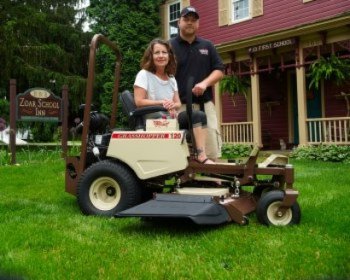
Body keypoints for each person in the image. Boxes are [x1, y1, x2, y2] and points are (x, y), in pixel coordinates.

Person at [134, 38, 214, 164]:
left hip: (170, 118)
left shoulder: (171, 78)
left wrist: (172, 104)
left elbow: (177, 103)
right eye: (157, 53)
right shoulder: (144, 74)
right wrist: (162, 103)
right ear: (151, 56)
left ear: (169, 55)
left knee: (199, 115)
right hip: (153, 120)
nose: (161, 56)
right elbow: (139, 102)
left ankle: (201, 155)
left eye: (164, 52)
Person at [170, 6, 225, 161]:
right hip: (178, 106)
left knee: (211, 149)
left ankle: (213, 180)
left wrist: (205, 83)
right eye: (186, 19)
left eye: (193, 20)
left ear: (198, 24)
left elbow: (219, 70)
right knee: (179, 150)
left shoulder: (207, 45)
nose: (190, 23)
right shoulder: (169, 46)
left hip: (204, 105)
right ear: (179, 22)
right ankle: (184, 181)